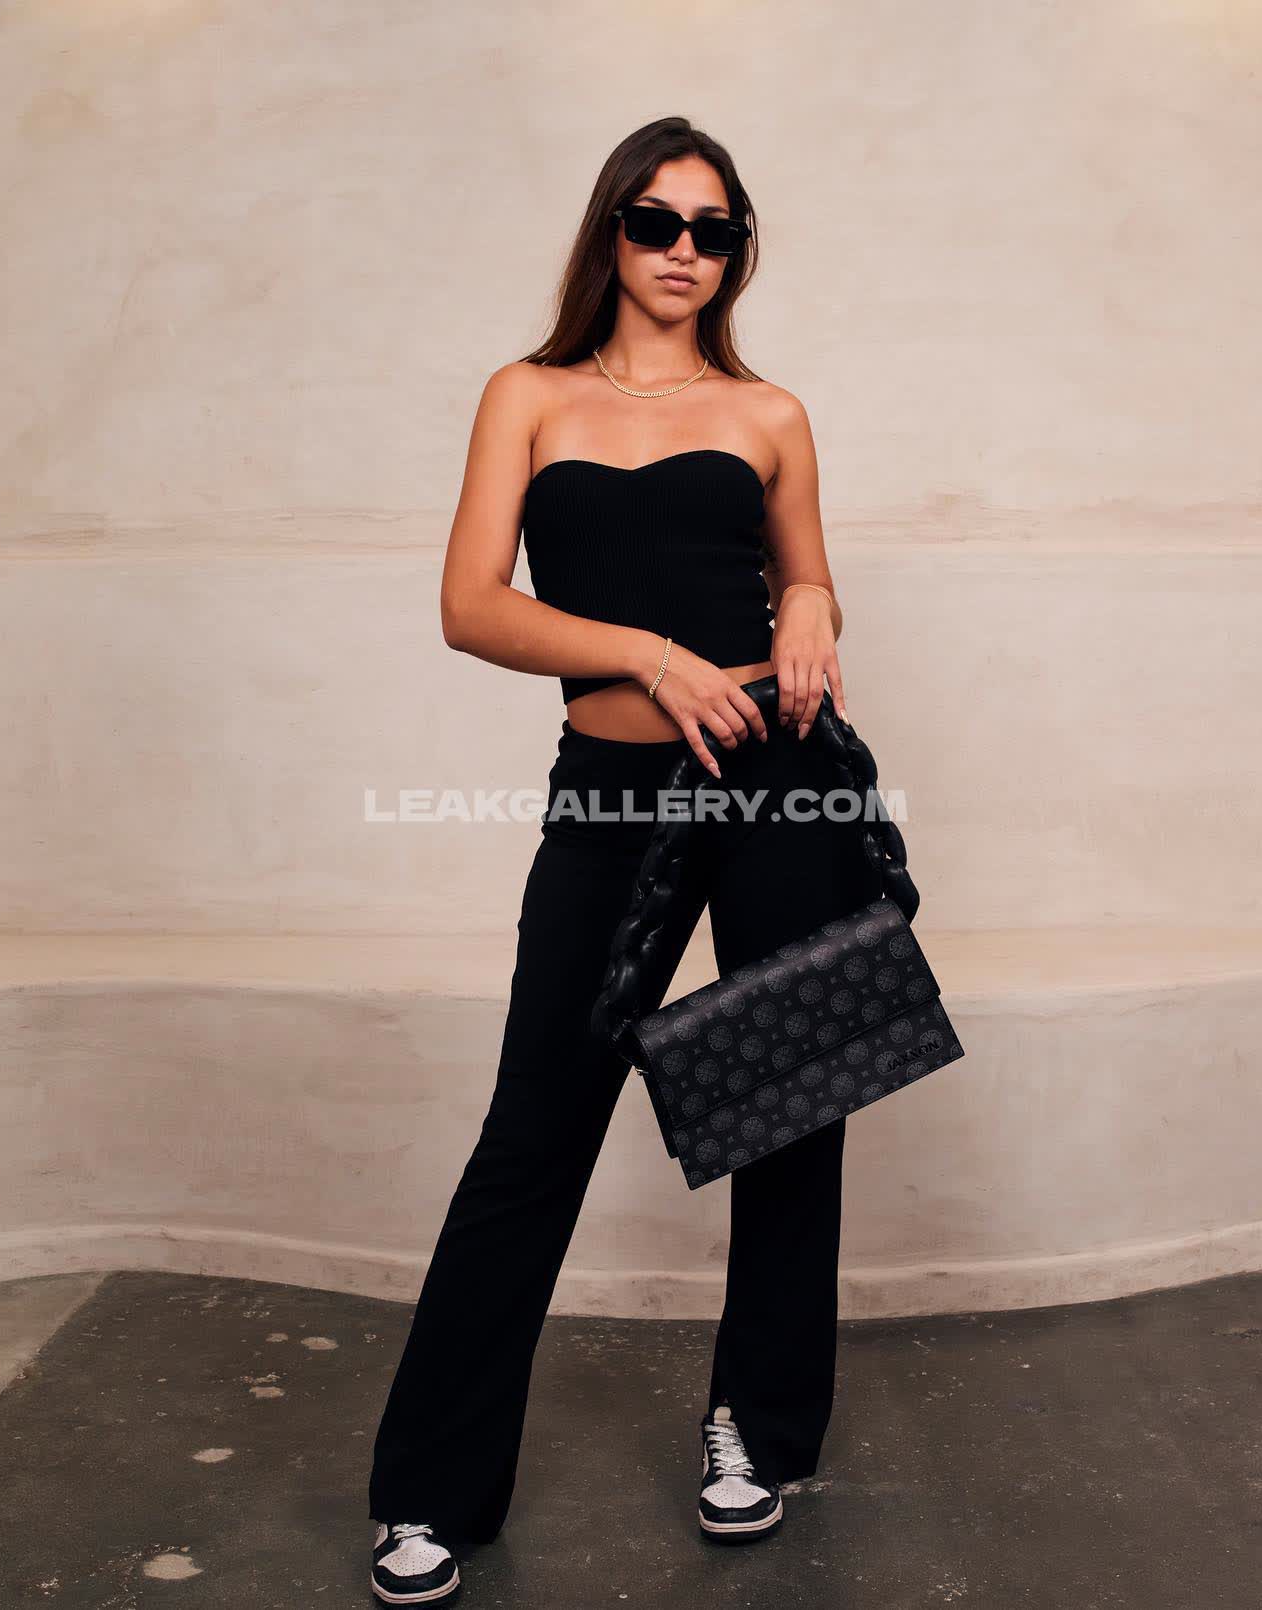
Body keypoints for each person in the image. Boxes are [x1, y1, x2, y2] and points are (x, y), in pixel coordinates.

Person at [369, 115, 865, 1605]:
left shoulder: (769, 411)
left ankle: (757, 1428)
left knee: (789, 1105)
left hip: (773, 772)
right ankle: (433, 1489)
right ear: (612, 231)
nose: (684, 251)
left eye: (715, 229)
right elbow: (471, 605)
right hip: (613, 783)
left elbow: (806, 575)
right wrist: (649, 654)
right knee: (538, 1123)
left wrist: (811, 608)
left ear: (737, 249)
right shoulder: (528, 394)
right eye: (657, 222)